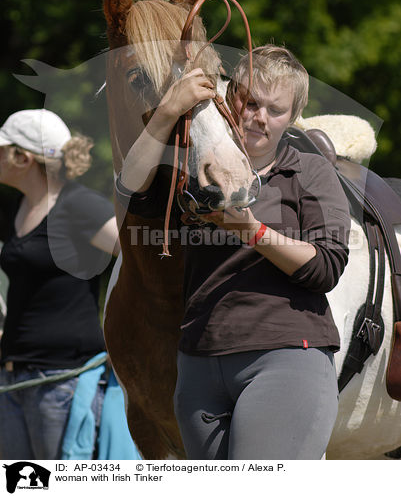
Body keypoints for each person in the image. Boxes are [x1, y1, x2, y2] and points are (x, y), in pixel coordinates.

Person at [117, 44, 351, 460]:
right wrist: (168, 109)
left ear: (292, 118)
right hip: (198, 363)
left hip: (284, 355)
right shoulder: (190, 172)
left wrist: (250, 229)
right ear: (228, 98)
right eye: (250, 102)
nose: (260, 117)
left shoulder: (310, 172)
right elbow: (130, 193)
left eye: (275, 110)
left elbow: (325, 267)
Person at [0, 108, 120, 460]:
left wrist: (121, 338)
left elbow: (138, 261)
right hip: (16, 378)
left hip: (62, 382)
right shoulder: (22, 206)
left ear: (22, 157)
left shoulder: (79, 205)